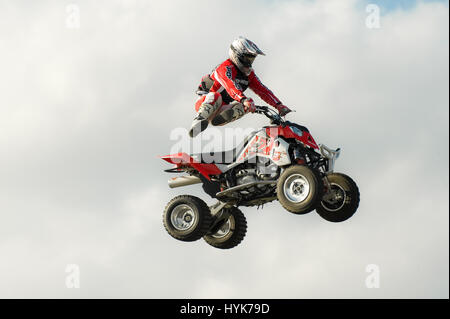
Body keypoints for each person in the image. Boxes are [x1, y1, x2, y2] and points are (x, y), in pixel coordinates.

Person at [189, 36, 292, 138]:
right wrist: (243, 99)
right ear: (237, 55)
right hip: (205, 102)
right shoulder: (225, 68)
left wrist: (278, 105)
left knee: (248, 104)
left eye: (251, 59)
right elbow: (230, 85)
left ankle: (221, 118)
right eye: (247, 58)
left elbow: (262, 90)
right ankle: (198, 121)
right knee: (216, 96)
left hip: (222, 108)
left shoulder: (249, 74)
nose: (249, 62)